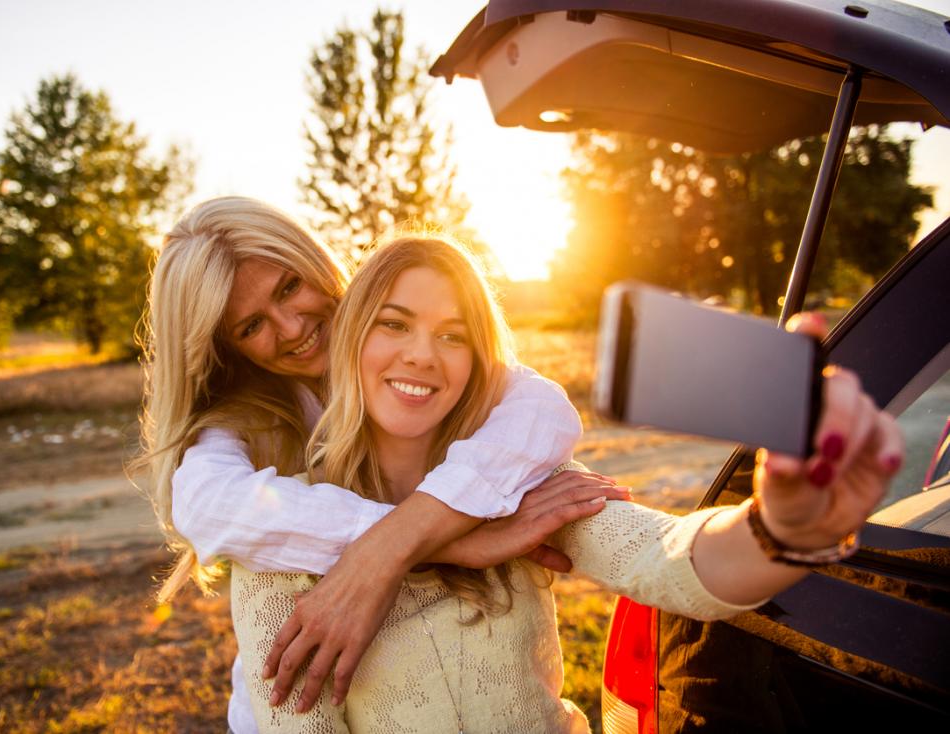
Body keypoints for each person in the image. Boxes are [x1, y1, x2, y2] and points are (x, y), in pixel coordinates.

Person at [230, 236, 901, 732]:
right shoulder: (281, 538)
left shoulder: (522, 483)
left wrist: (777, 528)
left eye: (453, 335)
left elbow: (669, 560)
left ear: (477, 361)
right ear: (351, 339)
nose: (421, 356)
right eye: (395, 324)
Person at [137, 197, 627, 734]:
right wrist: (444, 542)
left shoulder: (399, 342)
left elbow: (543, 411)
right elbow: (205, 504)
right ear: (225, 347)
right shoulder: (244, 422)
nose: (292, 325)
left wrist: (392, 546)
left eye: (289, 287)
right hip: (295, 703)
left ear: (316, 262)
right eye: (252, 325)